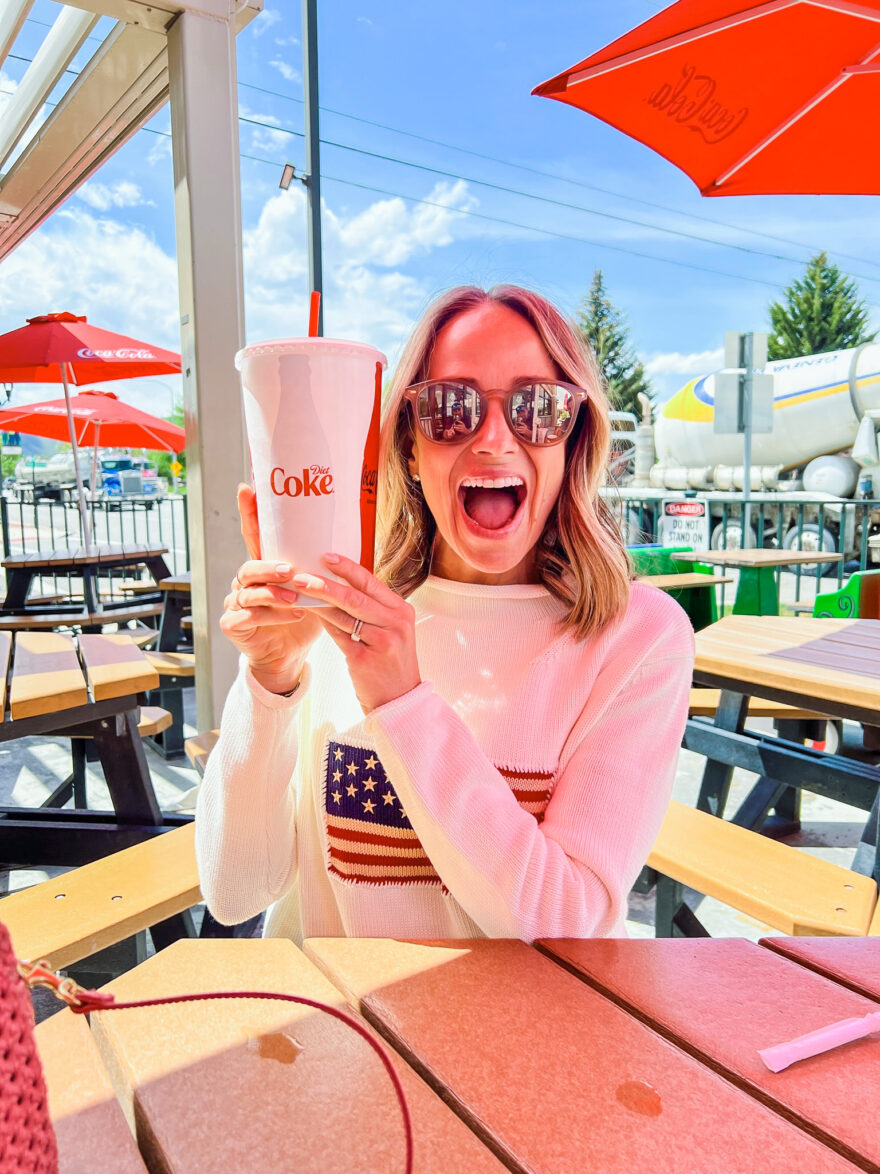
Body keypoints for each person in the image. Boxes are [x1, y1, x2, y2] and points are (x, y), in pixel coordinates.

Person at [196, 284, 694, 945]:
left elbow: (564, 925)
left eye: (538, 408)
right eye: (450, 408)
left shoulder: (638, 637)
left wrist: (403, 701)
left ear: (572, 441)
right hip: (340, 1032)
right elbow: (235, 894)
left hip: (521, 1041)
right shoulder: (339, 607)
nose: (492, 439)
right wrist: (271, 682)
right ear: (409, 447)